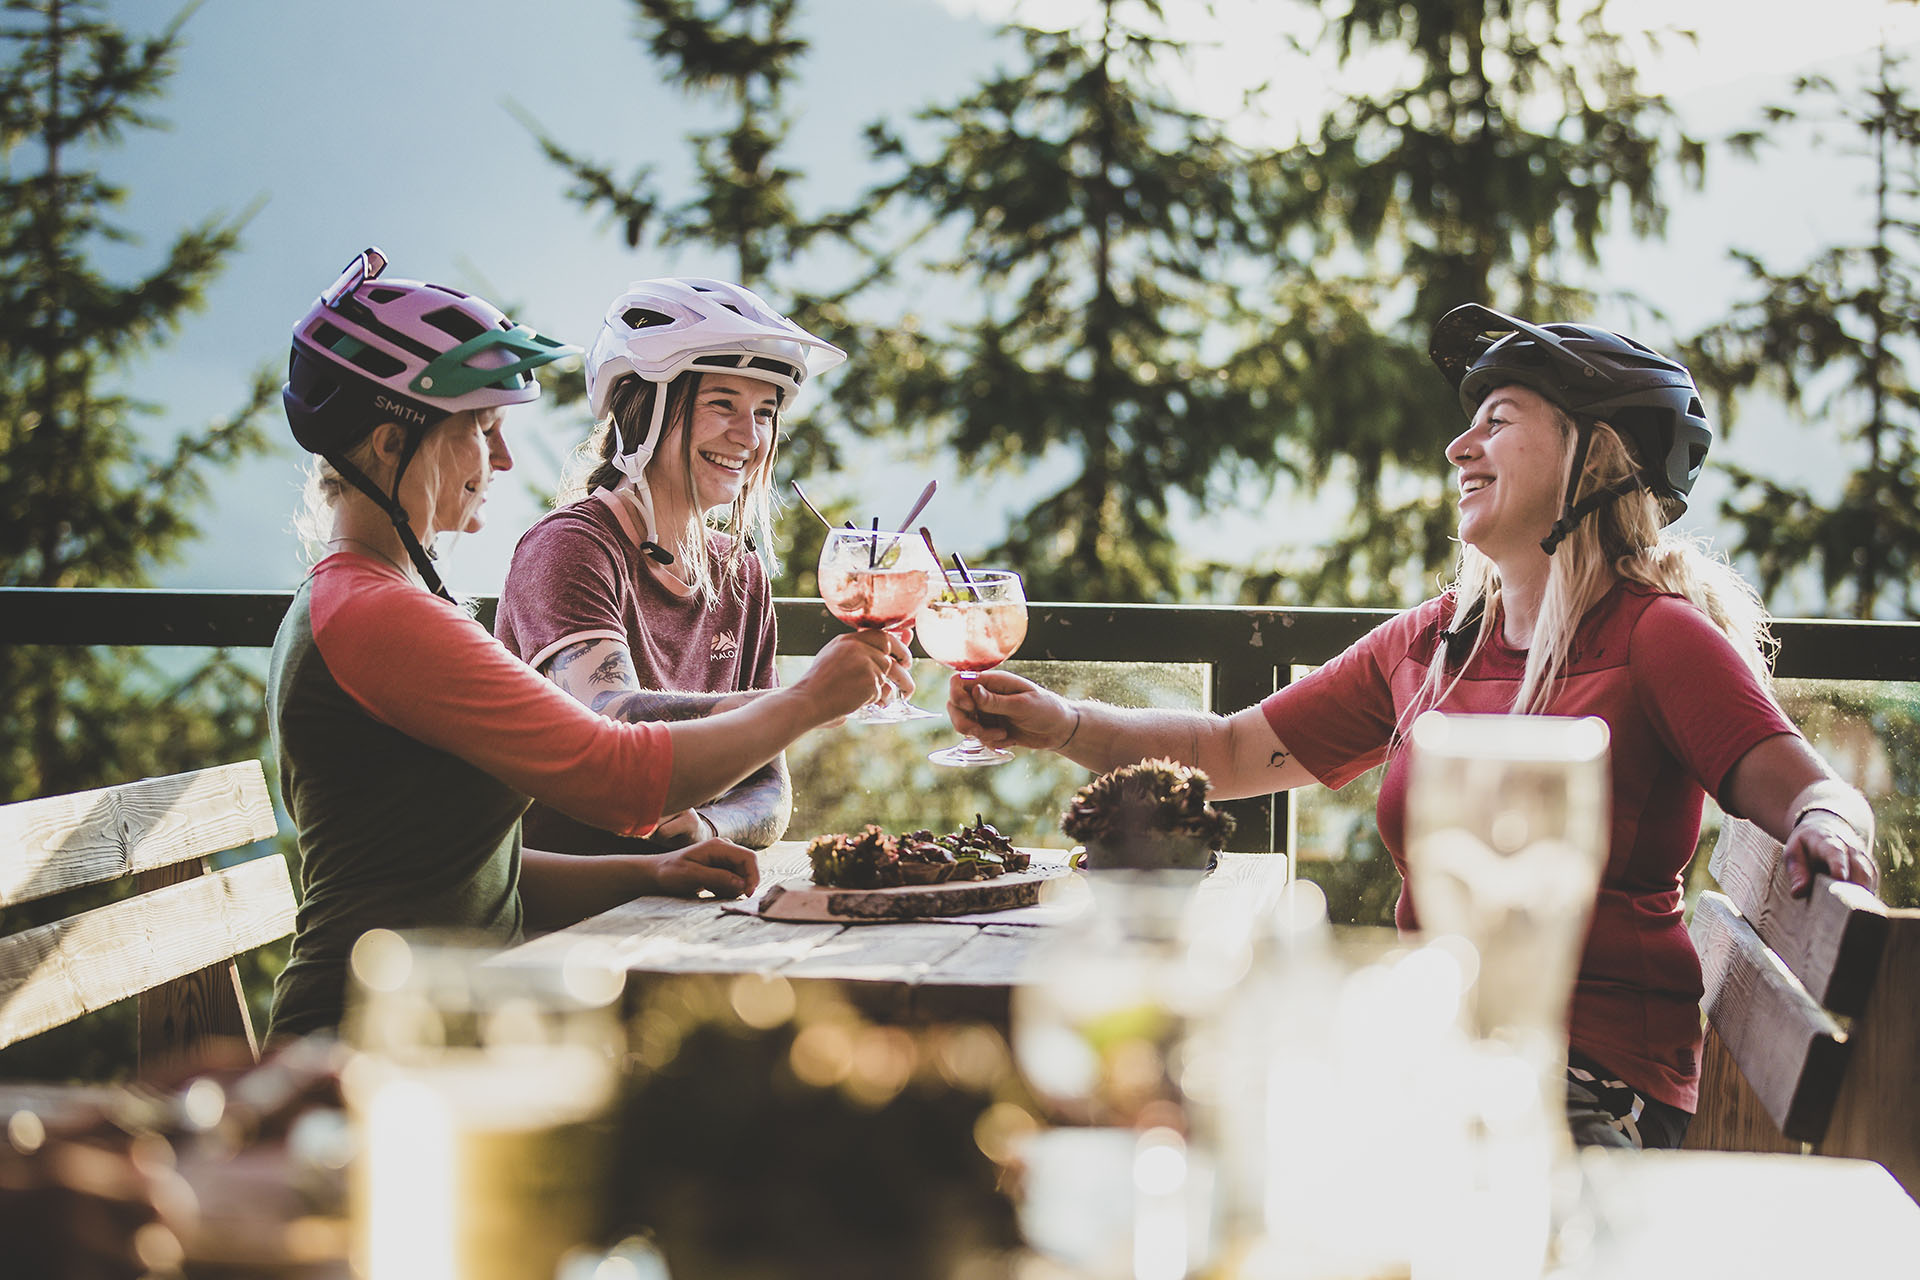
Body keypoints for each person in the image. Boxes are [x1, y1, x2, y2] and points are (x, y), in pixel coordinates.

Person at [945, 304, 1880, 1150]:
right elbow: (1229, 751)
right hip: (1443, 1049)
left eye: (1497, 422)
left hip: (1583, 1084)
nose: (1459, 448)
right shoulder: (1442, 639)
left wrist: (1827, 824)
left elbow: (1812, 792)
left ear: (1592, 456)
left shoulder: (1655, 635)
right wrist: (1062, 722)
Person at [268, 249, 908, 1040]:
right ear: (392, 442)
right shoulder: (375, 613)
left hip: (442, 1008)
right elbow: (617, 776)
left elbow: (475, 878)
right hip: (366, 1036)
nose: (502, 459)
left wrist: (651, 872)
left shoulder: (370, 598)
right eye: (481, 428)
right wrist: (811, 699)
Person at [495, 278, 842, 856]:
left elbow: (770, 788)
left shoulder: (742, 574)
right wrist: (806, 700)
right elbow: (610, 722)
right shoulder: (571, 548)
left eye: (764, 411)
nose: (749, 436)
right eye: (721, 404)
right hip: (566, 911)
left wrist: (708, 829)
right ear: (644, 416)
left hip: (680, 900)